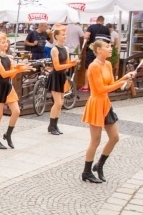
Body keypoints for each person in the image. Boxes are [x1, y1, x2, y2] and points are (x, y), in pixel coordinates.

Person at [80, 40, 135, 183]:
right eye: (107, 47)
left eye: (110, 46)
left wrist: (125, 78)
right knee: (95, 140)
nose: (111, 49)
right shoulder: (93, 66)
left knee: (115, 137)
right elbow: (100, 89)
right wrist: (121, 83)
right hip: (96, 103)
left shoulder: (108, 64)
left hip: (105, 103)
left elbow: (111, 84)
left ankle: (100, 165)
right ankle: (86, 172)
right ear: (98, 50)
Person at [0, 34, 27, 149]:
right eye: (3, 42)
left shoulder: (9, 57)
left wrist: (18, 69)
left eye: (6, 42)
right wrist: (17, 69)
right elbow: (4, 74)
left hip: (8, 86)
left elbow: (12, 75)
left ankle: (8, 134)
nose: (5, 44)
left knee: (16, 111)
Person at [47, 26, 78, 135]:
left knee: (61, 102)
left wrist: (72, 62)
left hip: (62, 76)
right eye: (62, 35)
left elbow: (66, 65)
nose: (65, 36)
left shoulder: (66, 49)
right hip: (55, 76)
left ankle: (55, 125)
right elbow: (57, 66)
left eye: (65, 34)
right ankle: (51, 125)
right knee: (58, 102)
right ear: (56, 36)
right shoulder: (54, 50)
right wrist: (70, 63)